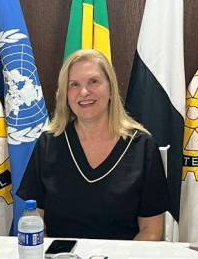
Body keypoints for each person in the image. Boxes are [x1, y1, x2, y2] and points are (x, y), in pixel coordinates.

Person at [17, 49, 168, 240]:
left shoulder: (142, 146)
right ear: (65, 94)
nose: (84, 92)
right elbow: (34, 221)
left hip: (121, 258)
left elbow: (151, 231)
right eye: (74, 84)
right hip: (60, 257)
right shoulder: (48, 144)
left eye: (94, 81)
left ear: (111, 88)